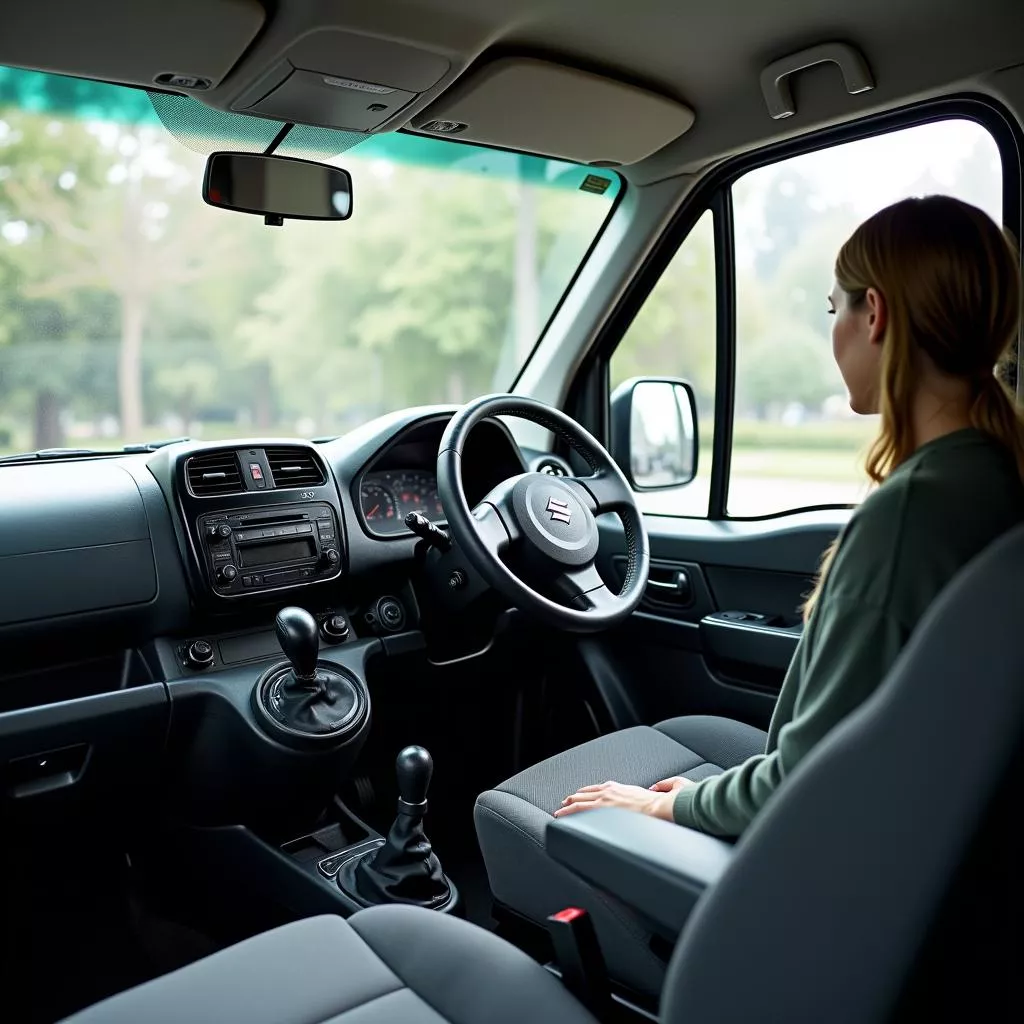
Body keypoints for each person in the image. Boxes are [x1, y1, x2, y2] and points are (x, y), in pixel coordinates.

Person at [555, 194, 1024, 838]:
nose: (833, 333)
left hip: (826, 858)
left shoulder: (910, 517)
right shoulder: (994, 473)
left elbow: (807, 780)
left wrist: (662, 805)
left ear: (876, 313)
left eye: (836, 309)